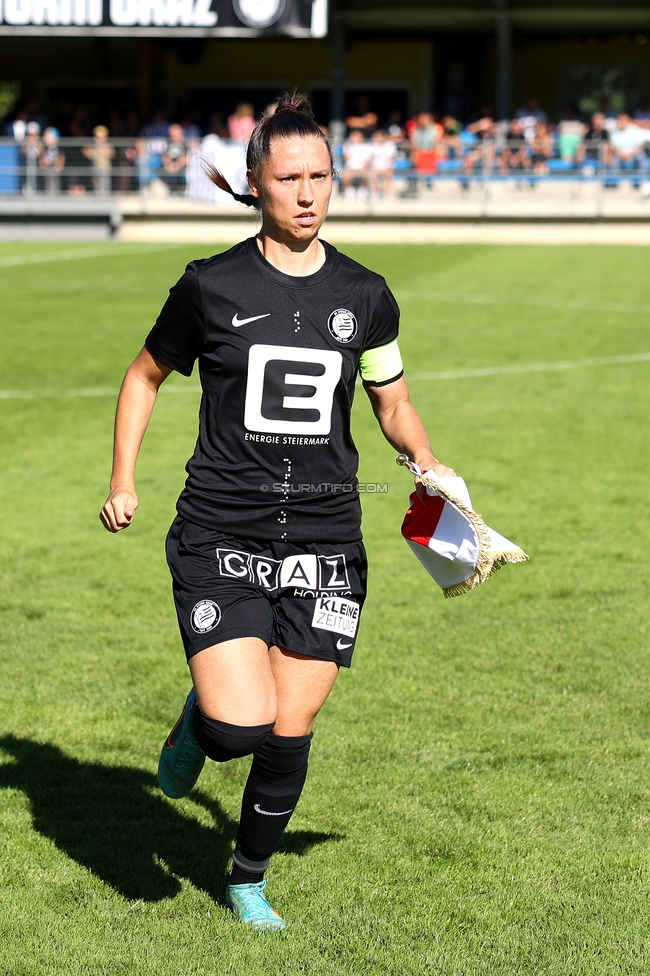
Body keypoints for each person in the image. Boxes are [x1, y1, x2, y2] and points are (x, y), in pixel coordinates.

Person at [99, 92, 454, 932]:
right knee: (238, 726)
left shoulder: (368, 296)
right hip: (221, 528)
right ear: (255, 183)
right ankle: (199, 726)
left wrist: (427, 460)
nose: (307, 193)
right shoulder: (208, 286)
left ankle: (247, 880)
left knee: (289, 726)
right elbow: (143, 376)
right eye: (288, 177)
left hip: (329, 539)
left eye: (320, 176)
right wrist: (123, 478)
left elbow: (391, 400)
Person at [82, 125, 115, 194]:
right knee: (96, 182)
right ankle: (98, 195)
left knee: (106, 182)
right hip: (96, 168)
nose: (99, 139)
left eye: (101, 137)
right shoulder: (94, 146)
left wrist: (104, 150)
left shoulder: (108, 145)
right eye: (98, 137)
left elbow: (112, 154)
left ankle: (106, 195)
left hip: (106, 168)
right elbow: (90, 155)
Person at [341, 128, 372, 197]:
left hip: (362, 168)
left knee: (366, 173)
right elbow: (346, 158)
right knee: (345, 174)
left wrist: (362, 168)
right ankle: (349, 191)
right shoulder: (347, 145)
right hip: (350, 168)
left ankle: (362, 190)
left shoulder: (367, 146)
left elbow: (368, 160)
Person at [368, 129, 396, 197]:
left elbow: (391, 158)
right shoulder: (373, 145)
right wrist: (374, 167)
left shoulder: (390, 145)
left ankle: (387, 193)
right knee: (372, 174)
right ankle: (374, 193)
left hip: (387, 167)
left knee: (388, 174)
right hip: (376, 167)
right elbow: (371, 158)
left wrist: (387, 167)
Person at [162, 123, 187, 193]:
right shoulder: (168, 143)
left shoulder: (185, 144)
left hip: (182, 167)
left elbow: (185, 158)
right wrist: (169, 165)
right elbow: (165, 157)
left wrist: (176, 166)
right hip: (169, 167)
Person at [39, 127, 65, 194]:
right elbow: (41, 157)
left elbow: (61, 158)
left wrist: (58, 166)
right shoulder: (44, 148)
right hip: (47, 168)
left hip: (55, 169)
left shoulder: (59, 149)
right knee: (47, 183)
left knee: (55, 184)